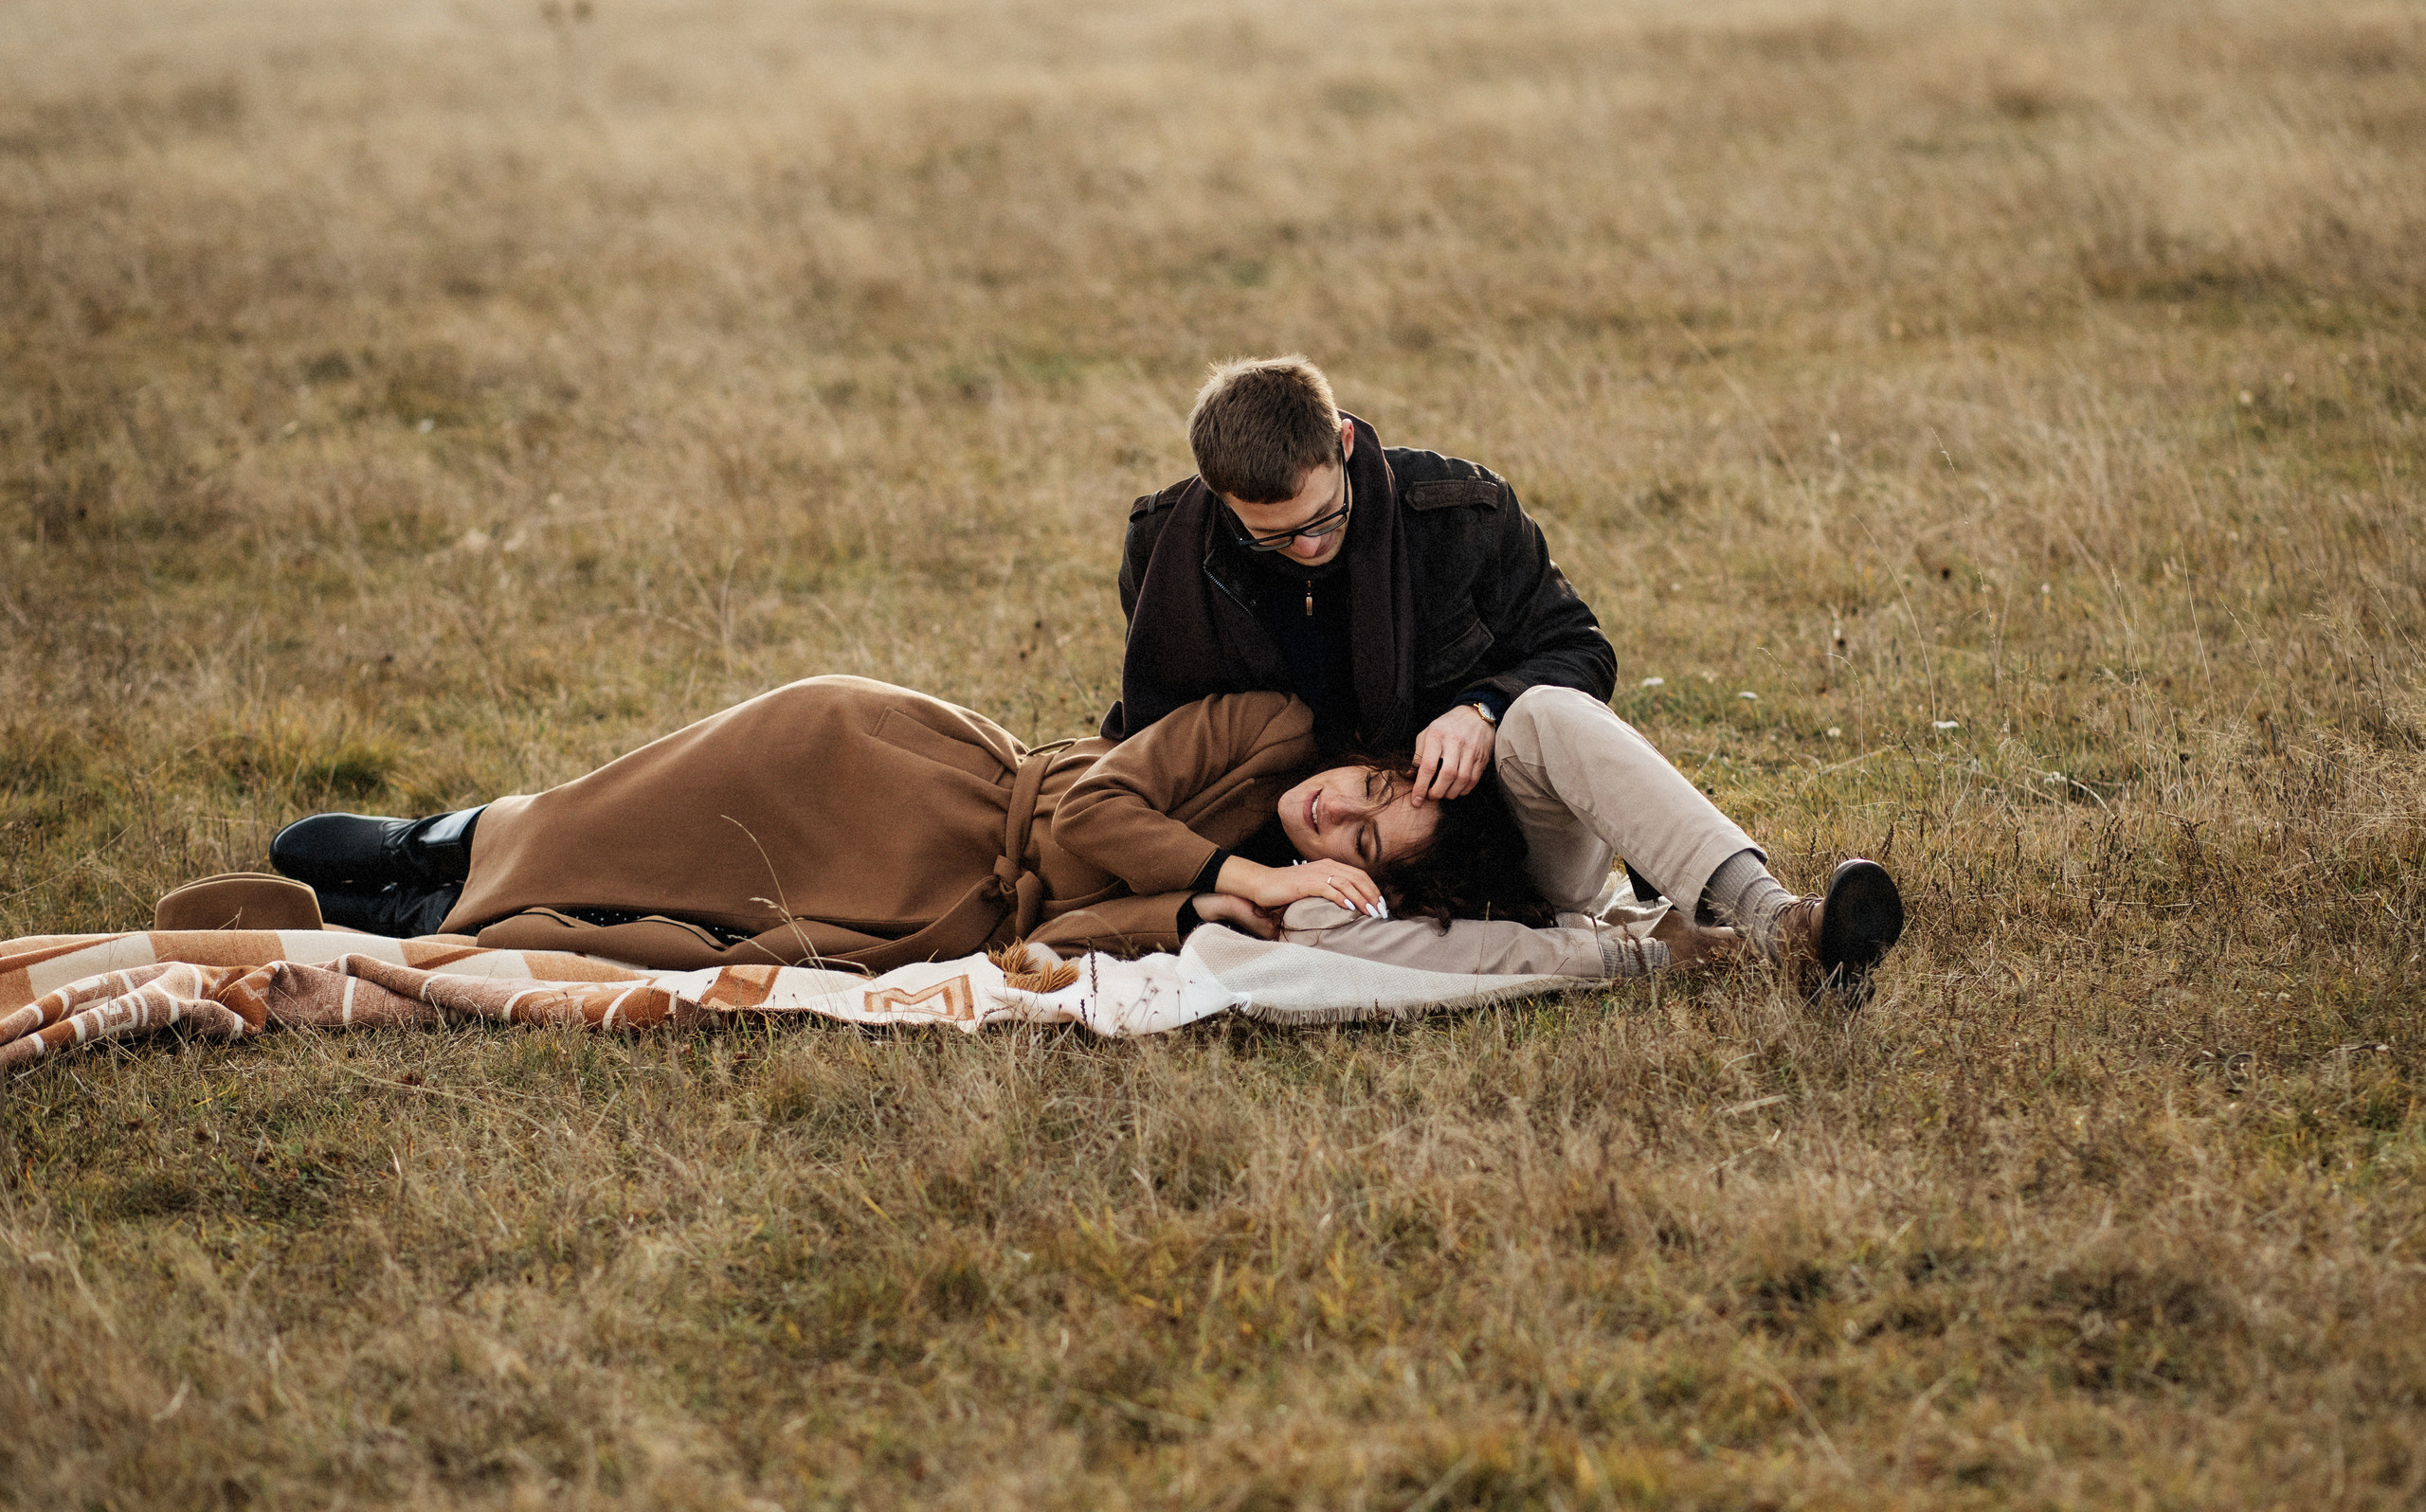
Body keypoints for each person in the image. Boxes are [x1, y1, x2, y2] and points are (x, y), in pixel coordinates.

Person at [1106, 355, 1905, 997]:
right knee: (1307, 931)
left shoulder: (1460, 512)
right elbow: (1163, 738)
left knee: (1543, 711)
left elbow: (1581, 649)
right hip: (1340, 868)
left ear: (1344, 443)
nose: (1309, 548)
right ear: (1218, 500)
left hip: (1509, 833)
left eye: (1324, 519)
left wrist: (1485, 708)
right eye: (1272, 539)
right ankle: (1644, 957)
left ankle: (1777, 920)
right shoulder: (1165, 552)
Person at [265, 675, 1735, 981]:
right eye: (1371, 783)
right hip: (935, 769)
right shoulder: (1274, 729)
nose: (1340, 809)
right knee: (657, 792)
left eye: (1366, 839)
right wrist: (1242, 865)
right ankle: (442, 837)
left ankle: (439, 912)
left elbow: (1074, 918)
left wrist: (1199, 914)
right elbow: (1097, 795)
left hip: (951, 900)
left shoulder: (1263, 904)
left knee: (688, 909)